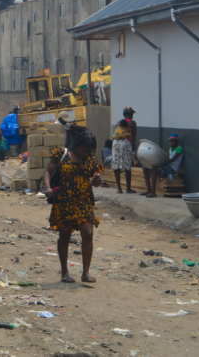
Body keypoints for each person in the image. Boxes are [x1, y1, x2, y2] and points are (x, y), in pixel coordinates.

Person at [43, 131, 103, 283]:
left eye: (89, 150)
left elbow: (96, 183)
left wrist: (97, 179)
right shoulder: (62, 154)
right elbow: (48, 172)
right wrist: (48, 187)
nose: (86, 153)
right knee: (65, 236)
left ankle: (86, 273)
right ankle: (64, 271)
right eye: (83, 150)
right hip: (64, 200)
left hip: (84, 200)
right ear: (76, 146)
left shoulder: (92, 160)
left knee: (88, 233)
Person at [111, 118, 137, 194]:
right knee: (127, 165)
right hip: (126, 143)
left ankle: (119, 189)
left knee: (116, 164)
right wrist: (133, 145)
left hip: (115, 143)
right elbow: (133, 137)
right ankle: (128, 188)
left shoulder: (117, 125)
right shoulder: (132, 124)